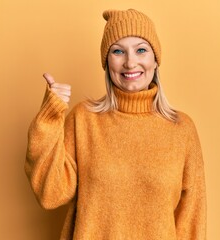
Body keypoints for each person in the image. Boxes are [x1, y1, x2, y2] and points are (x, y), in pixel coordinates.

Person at [25, 8, 206, 240]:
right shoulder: (84, 119)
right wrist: (49, 118)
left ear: (155, 59)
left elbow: (192, 220)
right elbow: (50, 193)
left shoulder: (182, 129)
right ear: (106, 62)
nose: (130, 63)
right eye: (118, 51)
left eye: (141, 50)